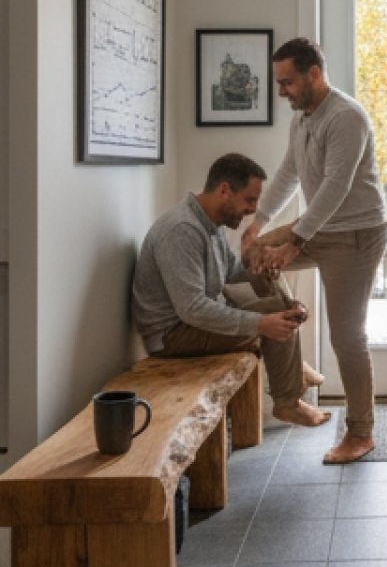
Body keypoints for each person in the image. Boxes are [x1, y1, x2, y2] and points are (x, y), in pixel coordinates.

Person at [242, 37, 387, 465]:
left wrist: (295, 243)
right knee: (251, 256)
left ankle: (360, 432)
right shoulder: (303, 119)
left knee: (346, 335)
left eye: (287, 82)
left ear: (314, 74)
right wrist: (259, 224)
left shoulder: (346, 117)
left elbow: (335, 188)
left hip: (357, 233)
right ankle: (293, 360)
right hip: (321, 226)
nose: (281, 91)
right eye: (278, 83)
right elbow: (290, 171)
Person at [132, 152, 326, 428]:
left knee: (276, 299)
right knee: (272, 316)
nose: (253, 210)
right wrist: (261, 322)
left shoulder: (210, 225)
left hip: (191, 326)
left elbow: (234, 273)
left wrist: (264, 266)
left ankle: (294, 365)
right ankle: (287, 403)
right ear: (224, 190)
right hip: (171, 336)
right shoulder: (182, 230)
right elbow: (193, 309)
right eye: (249, 200)